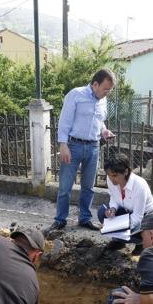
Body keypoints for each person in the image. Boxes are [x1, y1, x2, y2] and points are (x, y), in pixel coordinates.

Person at [48, 68, 116, 232]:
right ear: (95, 84)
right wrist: (63, 145)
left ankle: (84, 218)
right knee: (65, 186)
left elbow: (100, 121)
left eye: (110, 90)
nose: (107, 93)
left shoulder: (103, 100)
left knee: (88, 186)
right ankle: (60, 219)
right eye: (106, 89)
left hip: (93, 147)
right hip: (73, 146)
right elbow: (65, 121)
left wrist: (104, 131)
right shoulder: (76, 95)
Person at [97, 153, 153, 254]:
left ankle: (140, 243)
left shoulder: (139, 186)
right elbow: (114, 197)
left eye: (115, 175)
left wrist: (116, 226)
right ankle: (119, 241)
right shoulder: (111, 179)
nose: (111, 179)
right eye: (109, 175)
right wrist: (113, 209)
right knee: (102, 213)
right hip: (127, 211)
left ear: (126, 171)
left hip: (145, 218)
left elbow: (138, 217)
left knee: (128, 228)